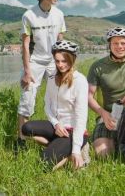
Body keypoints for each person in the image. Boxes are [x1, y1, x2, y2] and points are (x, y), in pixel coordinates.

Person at [21, 40, 88, 170]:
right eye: (57, 61)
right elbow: (47, 105)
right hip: (56, 126)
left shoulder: (80, 81)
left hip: (73, 131)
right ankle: (58, 146)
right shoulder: (52, 78)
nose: (60, 65)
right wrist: (56, 123)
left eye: (64, 61)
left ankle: (76, 149)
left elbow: (81, 117)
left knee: (44, 165)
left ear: (72, 60)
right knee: (26, 128)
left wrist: (75, 150)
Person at [16, 0, 66, 147]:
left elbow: (60, 40)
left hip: (53, 61)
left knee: (59, 96)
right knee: (27, 99)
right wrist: (27, 71)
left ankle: (61, 135)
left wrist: (63, 63)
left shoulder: (59, 14)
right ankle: (21, 141)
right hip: (35, 62)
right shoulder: (28, 15)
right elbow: (25, 45)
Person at [87, 27, 125, 158]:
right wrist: (103, 114)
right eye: (115, 43)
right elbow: (88, 96)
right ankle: (119, 139)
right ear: (109, 45)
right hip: (108, 115)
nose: (119, 46)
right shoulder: (98, 66)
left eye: (123, 43)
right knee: (103, 154)